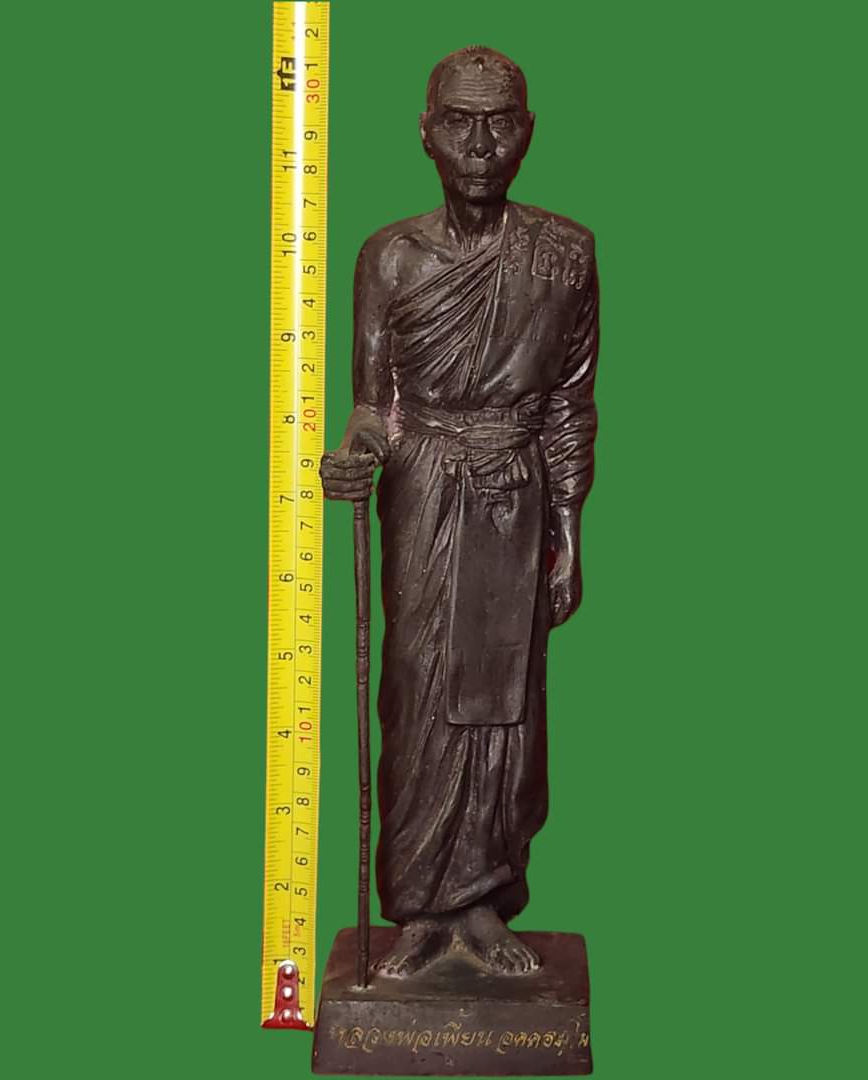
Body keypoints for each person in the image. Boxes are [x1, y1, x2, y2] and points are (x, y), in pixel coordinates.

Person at [320, 45, 598, 978]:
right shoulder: (390, 257)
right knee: (418, 692)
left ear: (528, 132)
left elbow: (570, 402)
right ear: (426, 133)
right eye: (459, 121)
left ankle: (481, 905)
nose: (480, 145)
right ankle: (420, 910)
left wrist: (569, 531)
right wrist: (357, 456)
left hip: (516, 497)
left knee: (505, 707)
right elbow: (372, 404)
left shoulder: (564, 253)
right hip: (426, 489)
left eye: (500, 121)